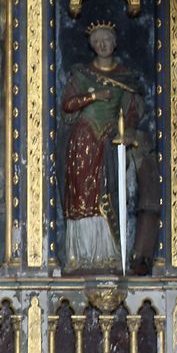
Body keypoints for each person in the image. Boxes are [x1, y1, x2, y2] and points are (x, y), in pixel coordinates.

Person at [61, 21, 140, 271]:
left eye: (106, 39)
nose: (102, 44)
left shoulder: (125, 77)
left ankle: (109, 253)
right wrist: (93, 96)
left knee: (110, 192)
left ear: (114, 42)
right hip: (84, 138)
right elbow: (68, 104)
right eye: (97, 41)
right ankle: (81, 254)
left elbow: (132, 111)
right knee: (82, 195)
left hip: (109, 141)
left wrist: (126, 132)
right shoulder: (82, 75)